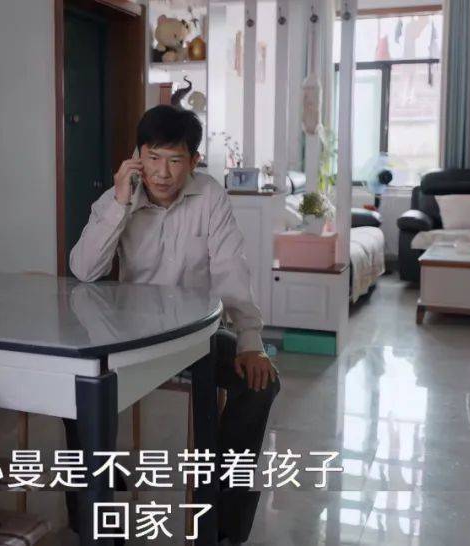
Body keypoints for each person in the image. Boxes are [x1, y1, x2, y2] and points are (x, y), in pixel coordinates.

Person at [70, 104, 279, 544]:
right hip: (132, 338)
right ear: (137, 156)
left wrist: (250, 341)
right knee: (80, 384)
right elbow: (85, 271)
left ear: (194, 161)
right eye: (152, 157)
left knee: (261, 383)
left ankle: (221, 510)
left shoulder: (210, 196)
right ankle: (91, 510)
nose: (162, 173)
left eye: (175, 160)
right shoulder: (117, 199)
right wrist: (120, 204)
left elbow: (231, 269)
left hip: (197, 338)